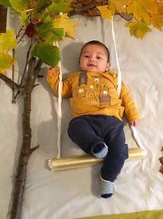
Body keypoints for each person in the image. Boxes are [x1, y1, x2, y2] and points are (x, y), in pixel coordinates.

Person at [47, 40, 139, 198]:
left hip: (112, 121)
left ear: (107, 65)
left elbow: (126, 97)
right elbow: (60, 91)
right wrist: (53, 75)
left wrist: (133, 115)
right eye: (87, 56)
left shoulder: (113, 78)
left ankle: (107, 178)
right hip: (85, 120)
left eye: (98, 57)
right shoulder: (75, 78)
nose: (92, 59)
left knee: (120, 150)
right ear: (79, 62)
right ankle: (96, 146)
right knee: (74, 128)